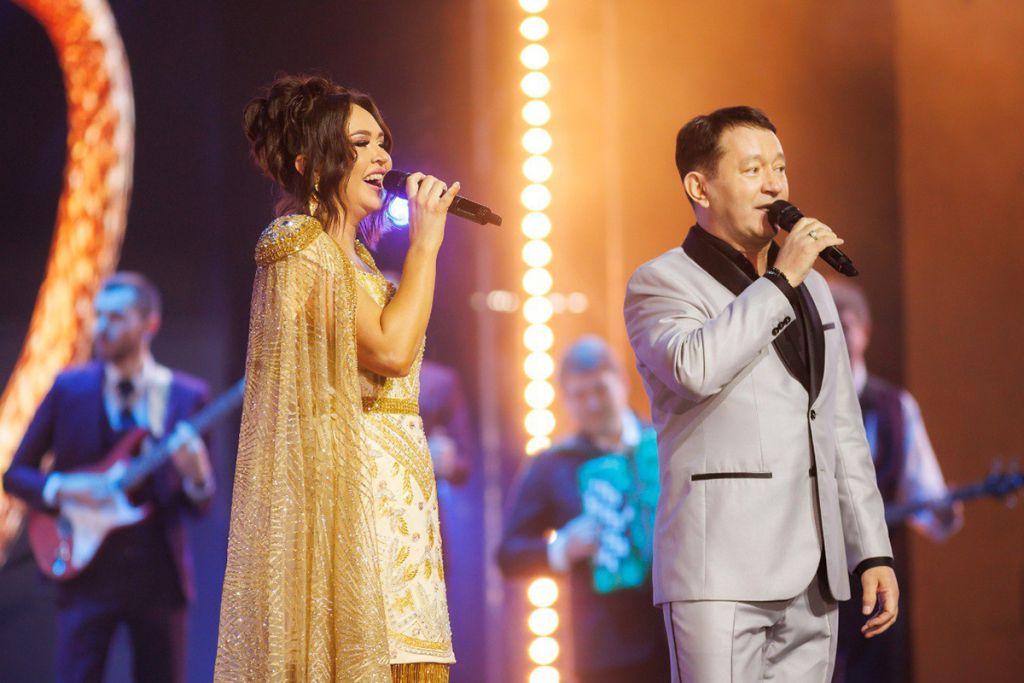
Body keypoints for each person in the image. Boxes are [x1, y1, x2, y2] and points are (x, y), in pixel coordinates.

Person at [623, 106, 899, 682]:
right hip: (719, 572)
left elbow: (839, 423)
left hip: (814, 574)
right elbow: (695, 367)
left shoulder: (813, 288)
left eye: (780, 168)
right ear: (699, 187)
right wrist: (780, 281)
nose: (774, 185)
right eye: (752, 170)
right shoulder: (661, 281)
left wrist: (871, 550)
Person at [214, 75, 459, 682]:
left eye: (383, 142)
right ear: (312, 164)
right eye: (361, 144)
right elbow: (392, 351)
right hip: (350, 503)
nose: (384, 158)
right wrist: (426, 247)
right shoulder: (299, 243)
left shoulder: (360, 260)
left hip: (396, 499)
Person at [2, 271, 213, 683]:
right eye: (99, 316)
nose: (101, 327)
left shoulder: (186, 395)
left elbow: (199, 505)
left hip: (159, 578)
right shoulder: (68, 389)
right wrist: (63, 488)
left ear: (150, 323)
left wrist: (199, 477)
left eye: (116, 317)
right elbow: (16, 475)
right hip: (86, 576)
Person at [498, 336, 670, 683]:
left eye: (600, 390)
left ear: (622, 382)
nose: (592, 404)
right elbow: (508, 555)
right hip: (604, 651)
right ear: (565, 400)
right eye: (579, 395)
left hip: (673, 636)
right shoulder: (552, 465)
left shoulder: (665, 442)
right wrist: (563, 548)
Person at [829, 280, 962, 683]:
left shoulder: (894, 406)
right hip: (814, 577)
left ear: (865, 332)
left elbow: (921, 489)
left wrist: (943, 510)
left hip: (875, 578)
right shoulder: (799, 402)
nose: (836, 337)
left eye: (844, 326)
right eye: (826, 327)